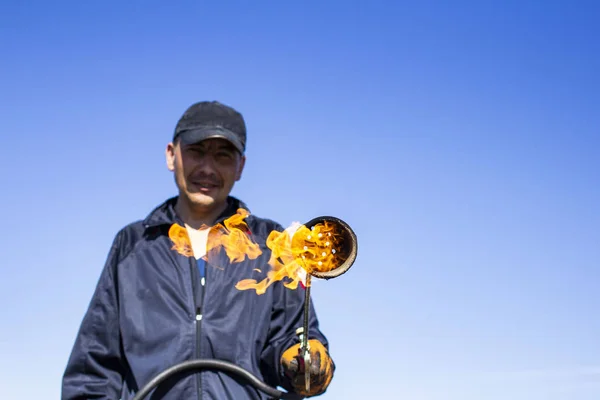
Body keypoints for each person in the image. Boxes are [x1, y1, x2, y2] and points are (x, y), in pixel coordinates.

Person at [62, 101, 335, 399]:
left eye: (222, 156)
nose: (207, 168)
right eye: (196, 151)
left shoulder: (270, 241)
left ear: (240, 166)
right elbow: (93, 368)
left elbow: (293, 335)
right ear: (171, 155)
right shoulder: (132, 245)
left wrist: (303, 361)